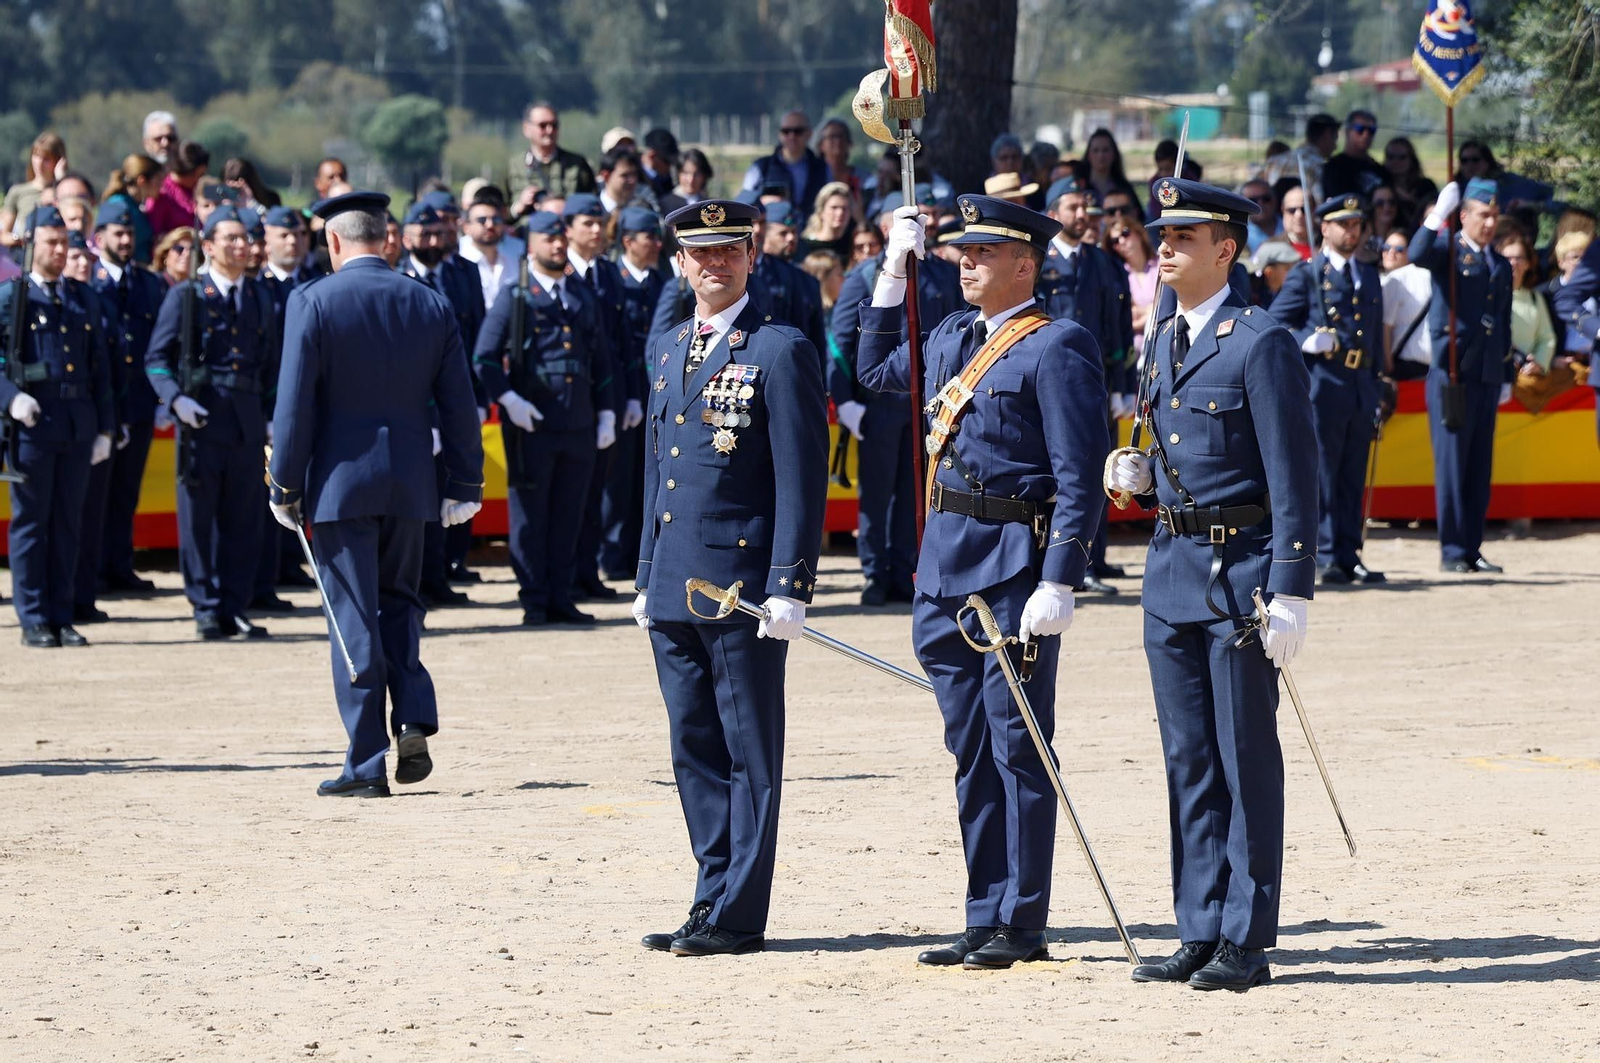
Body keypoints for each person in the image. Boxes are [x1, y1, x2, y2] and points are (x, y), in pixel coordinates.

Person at [855, 194, 1106, 970]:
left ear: (1025, 263)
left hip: (1010, 570)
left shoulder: (1056, 345)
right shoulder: (955, 334)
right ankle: (982, 909)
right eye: (961, 252)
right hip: (942, 568)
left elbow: (1079, 478)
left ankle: (1021, 918)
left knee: (1018, 746)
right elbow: (871, 370)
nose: (965, 263)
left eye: (983, 254)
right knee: (969, 749)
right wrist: (892, 274)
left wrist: (1059, 577)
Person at [1104, 177, 1317, 992]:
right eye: (1162, 234)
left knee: (1242, 757)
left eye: (1183, 236)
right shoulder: (1162, 339)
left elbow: (1295, 472)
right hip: (1171, 572)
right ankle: (1197, 924)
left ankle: (1245, 935)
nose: (1163, 245)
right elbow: (1172, 453)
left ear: (1225, 249)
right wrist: (1141, 473)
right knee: (1187, 758)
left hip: (1240, 577)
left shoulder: (1259, 341)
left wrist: (1293, 584)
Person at [632, 198, 827, 958]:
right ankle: (710, 891)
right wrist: (646, 573)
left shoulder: (777, 350)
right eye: (699, 253)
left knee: (748, 750)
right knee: (694, 745)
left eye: (729, 251)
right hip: (678, 578)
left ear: (751, 257)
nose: (714, 264)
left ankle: (740, 912)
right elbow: (659, 470)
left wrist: (791, 582)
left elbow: (800, 478)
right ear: (679, 263)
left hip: (742, 586)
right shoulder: (668, 346)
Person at [268, 190, 484, 798]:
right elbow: (460, 405)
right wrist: (465, 481)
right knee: (400, 603)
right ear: (387, 238)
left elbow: (293, 408)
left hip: (339, 486)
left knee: (351, 617)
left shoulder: (311, 301)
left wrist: (284, 484)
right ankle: (412, 714)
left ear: (333, 242)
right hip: (411, 481)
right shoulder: (429, 302)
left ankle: (366, 763)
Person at [474, 210, 616, 625]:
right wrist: (510, 401)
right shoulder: (515, 296)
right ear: (530, 244)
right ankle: (535, 599)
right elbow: (483, 358)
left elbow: (601, 357)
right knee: (530, 518)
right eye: (546, 239)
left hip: (577, 422)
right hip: (532, 426)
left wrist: (607, 410)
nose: (556, 245)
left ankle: (561, 595)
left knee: (569, 515)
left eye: (560, 238)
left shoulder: (580, 294)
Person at [145, 205, 280, 640]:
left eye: (245, 239)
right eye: (231, 239)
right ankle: (205, 605)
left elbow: (272, 366)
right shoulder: (186, 296)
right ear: (209, 246)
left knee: (244, 519)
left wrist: (275, 416)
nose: (241, 247)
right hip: (202, 420)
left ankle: (234, 606)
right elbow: (156, 359)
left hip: (246, 421)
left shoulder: (260, 296)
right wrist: (176, 399)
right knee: (199, 520)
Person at [829, 192, 963, 606]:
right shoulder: (867, 275)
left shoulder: (942, 273)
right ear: (887, 226)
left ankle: (907, 566)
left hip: (927, 404)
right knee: (877, 491)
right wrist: (845, 400)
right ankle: (873, 571)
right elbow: (840, 341)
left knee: (914, 489)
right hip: (879, 400)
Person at [1, 207, 116, 647]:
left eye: (63, 241)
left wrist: (105, 427)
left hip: (75, 423)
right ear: (30, 244)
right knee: (31, 523)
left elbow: (99, 368)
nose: (59, 249)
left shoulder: (82, 298)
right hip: (33, 424)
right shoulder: (12, 299)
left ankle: (61, 612)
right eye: (50, 241)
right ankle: (32, 616)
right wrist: (12, 399)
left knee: (70, 521)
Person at [1270, 195, 1388, 585]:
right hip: (1323, 385)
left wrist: (1379, 383)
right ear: (1325, 228)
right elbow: (1273, 325)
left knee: (1353, 473)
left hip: (1359, 384)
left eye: (1356, 224)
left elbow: (1374, 335)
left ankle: (1349, 551)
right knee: (1322, 474)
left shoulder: (1368, 275)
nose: (1351, 231)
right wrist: (1306, 339)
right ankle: (1320, 554)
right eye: (1343, 225)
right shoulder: (1308, 275)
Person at [1408, 178, 1514, 573]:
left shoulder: (1499, 264)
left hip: (1485, 375)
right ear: (1465, 215)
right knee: (1452, 466)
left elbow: (1501, 322)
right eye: (1483, 215)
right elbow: (1416, 252)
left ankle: (1473, 546)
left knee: (1478, 467)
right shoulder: (1448, 252)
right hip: (1451, 375)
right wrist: (1438, 213)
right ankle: (1452, 550)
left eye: (1494, 215)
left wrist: (1504, 374)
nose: (1490, 223)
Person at [1038, 175, 1135, 594]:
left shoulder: (1104, 264)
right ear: (1052, 214)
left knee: (1100, 469)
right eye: (1072, 206)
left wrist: (1123, 384)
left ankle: (1093, 557)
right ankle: (1055, 560)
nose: (1082, 214)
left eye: (1084, 207)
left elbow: (1118, 331)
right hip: (1050, 383)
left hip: (1097, 382)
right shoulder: (1038, 263)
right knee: (1055, 473)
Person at [82, 200, 169, 603]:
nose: (125, 240)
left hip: (137, 403)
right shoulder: (92, 284)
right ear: (98, 239)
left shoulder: (149, 284)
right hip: (106, 406)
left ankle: (119, 564)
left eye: (130, 233)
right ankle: (94, 569)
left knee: (126, 492)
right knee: (96, 493)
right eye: (117, 233)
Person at [600, 207, 666, 583]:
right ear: (628, 241)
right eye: (648, 237)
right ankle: (612, 553)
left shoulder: (661, 281)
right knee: (619, 478)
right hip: (626, 390)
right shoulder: (616, 279)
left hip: (657, 388)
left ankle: (639, 554)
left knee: (649, 478)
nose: (656, 244)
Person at [741, 111, 829, 224]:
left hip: (810, 233)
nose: (792, 136)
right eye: (786, 131)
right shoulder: (760, 167)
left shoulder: (823, 168)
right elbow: (745, 202)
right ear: (780, 134)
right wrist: (763, 202)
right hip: (771, 232)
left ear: (809, 134)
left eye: (798, 131)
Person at [516, 102, 597, 217]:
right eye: (543, 126)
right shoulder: (514, 166)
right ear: (526, 129)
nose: (549, 131)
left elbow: (592, 203)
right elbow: (501, 211)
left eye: (554, 125)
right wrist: (519, 207)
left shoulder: (578, 164)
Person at [1498, 230, 1558, 375]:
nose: (1513, 263)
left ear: (1528, 264)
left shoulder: (1535, 298)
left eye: (1519, 258)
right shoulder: (1487, 295)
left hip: (1526, 376)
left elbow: (1546, 338)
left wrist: (1538, 363)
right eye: (1507, 258)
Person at [1381, 228, 1435, 381]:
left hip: (1404, 368)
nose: (1391, 252)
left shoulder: (1396, 279)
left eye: (1399, 249)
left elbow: (1385, 327)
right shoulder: (1428, 273)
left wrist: (1388, 367)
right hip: (1430, 368)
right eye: (1386, 247)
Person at [2, 133, 66, 248]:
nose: (39, 163)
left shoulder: (65, 192)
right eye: (36, 156)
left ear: (58, 161)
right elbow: (3, 234)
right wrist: (19, 239)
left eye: (46, 159)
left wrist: (61, 181)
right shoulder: (17, 192)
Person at [1104, 217, 1159, 343]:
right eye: (1115, 240)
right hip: (1137, 351)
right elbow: (1127, 319)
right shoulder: (1117, 276)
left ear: (1138, 232)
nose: (1122, 241)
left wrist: (1144, 313)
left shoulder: (1163, 263)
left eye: (1125, 233)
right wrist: (1153, 312)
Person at [103, 154, 161, 265]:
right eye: (158, 181)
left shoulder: (133, 206)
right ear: (142, 181)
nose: (161, 186)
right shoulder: (120, 206)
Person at [145, 141, 208, 240]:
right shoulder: (161, 194)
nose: (200, 180)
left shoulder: (199, 189)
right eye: (198, 175)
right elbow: (155, 233)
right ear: (186, 173)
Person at [1322, 110, 1389, 200]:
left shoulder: (1379, 170)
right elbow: (1337, 200)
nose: (1366, 135)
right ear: (1347, 131)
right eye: (1360, 129)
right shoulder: (1333, 168)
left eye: (1371, 130)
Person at [1084, 128, 1142, 218]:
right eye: (1096, 150)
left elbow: (1139, 218)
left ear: (1114, 154)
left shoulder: (1124, 188)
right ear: (1088, 155)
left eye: (1105, 150)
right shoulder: (1080, 187)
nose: (1101, 155)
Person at [814, 119, 864, 217]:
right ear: (821, 145)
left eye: (841, 136)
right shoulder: (813, 176)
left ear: (849, 143)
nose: (838, 141)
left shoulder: (863, 177)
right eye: (832, 137)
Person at [799, 182, 855, 260]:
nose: (840, 213)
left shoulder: (853, 245)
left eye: (844, 208)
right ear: (821, 211)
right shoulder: (806, 246)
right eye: (834, 208)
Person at [1246, 241, 1302, 308]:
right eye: (1287, 268)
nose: (1294, 272)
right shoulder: (1252, 297)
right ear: (1269, 272)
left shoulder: (1295, 292)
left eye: (1295, 266)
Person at [1241, 179, 1282, 253]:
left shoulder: (1293, 225)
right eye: (1253, 201)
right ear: (1243, 204)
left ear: (1275, 199)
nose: (1260, 204)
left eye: (1266, 199)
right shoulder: (1239, 235)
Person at [640, 128, 680, 200]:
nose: (669, 166)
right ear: (652, 156)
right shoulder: (637, 177)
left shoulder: (667, 179)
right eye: (667, 161)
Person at [1278, 182, 1312, 260]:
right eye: (1292, 210)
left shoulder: (1329, 243)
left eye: (1304, 209)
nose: (1298, 215)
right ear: (1283, 211)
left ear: (1314, 210)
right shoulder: (1271, 246)